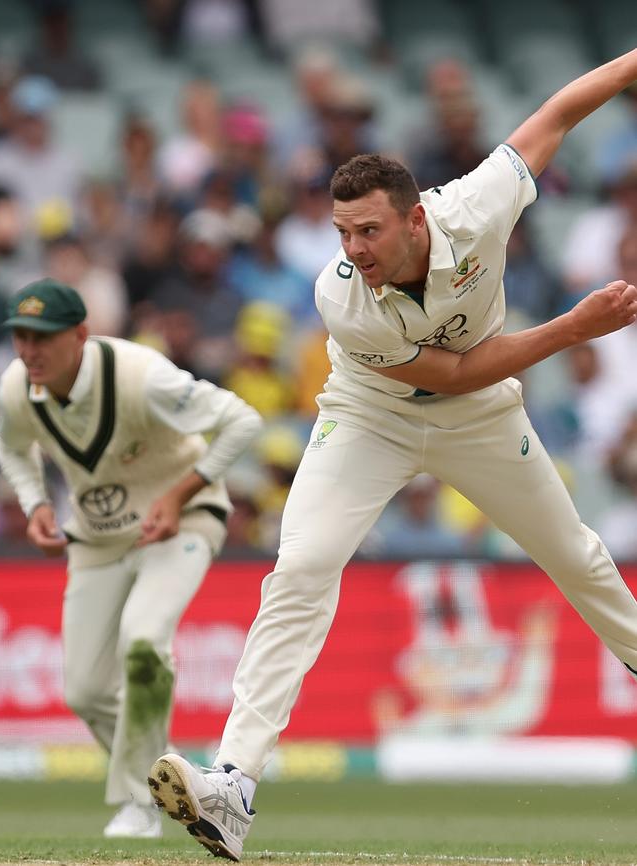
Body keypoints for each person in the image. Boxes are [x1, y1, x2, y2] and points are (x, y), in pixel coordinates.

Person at [148, 49, 637, 861]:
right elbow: (452, 369)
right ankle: (234, 782)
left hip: (479, 418)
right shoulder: (340, 295)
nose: (356, 249)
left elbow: (553, 116)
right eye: (343, 232)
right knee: (302, 567)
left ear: (416, 219)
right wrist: (572, 330)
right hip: (372, 413)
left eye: (369, 229)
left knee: (579, 559)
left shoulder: (474, 207)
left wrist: (628, 65)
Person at [0, 278, 263, 838]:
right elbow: (9, 445)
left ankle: (140, 806)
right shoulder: (19, 387)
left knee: (142, 644)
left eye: (43, 337)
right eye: (20, 336)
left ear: (80, 336)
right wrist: (36, 501)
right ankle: (183, 781)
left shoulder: (141, 375)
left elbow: (242, 420)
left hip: (181, 523)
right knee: (84, 691)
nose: (29, 350)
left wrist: (179, 494)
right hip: (96, 538)